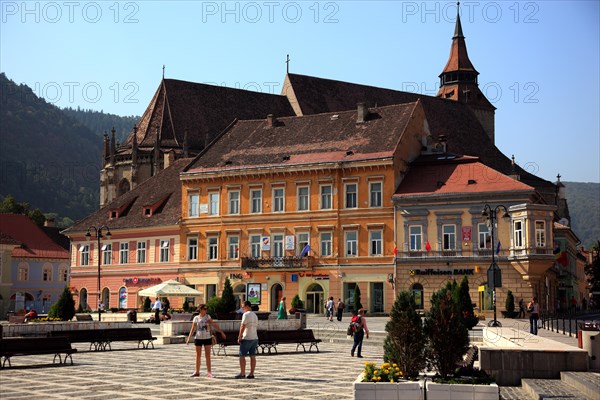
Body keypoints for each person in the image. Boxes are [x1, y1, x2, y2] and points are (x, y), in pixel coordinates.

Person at [186, 304, 226, 378]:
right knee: (198, 356)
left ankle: (209, 372)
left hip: (207, 337)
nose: (205, 310)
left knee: (208, 356)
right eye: (204, 309)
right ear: (200, 310)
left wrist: (221, 332)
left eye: (206, 309)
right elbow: (193, 328)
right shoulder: (196, 318)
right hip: (198, 338)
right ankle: (197, 371)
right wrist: (189, 338)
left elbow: (214, 324)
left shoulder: (207, 317)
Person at [236, 300, 258, 379]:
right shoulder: (255, 315)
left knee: (242, 356)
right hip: (254, 337)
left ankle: (242, 373)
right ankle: (251, 373)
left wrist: (239, 336)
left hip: (247, 337)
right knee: (252, 356)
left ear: (247, 306)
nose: (242, 309)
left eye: (243, 307)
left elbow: (243, 326)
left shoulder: (245, 315)